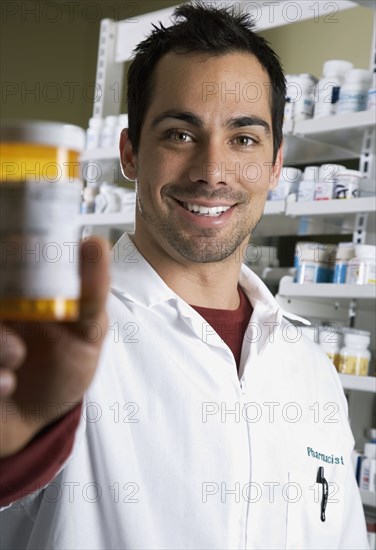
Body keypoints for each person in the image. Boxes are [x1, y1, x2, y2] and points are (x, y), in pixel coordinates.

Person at [0, 2, 370, 549]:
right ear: (130, 152)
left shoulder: (309, 369)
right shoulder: (52, 338)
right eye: (179, 134)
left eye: (243, 138)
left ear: (274, 164)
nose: (212, 172)